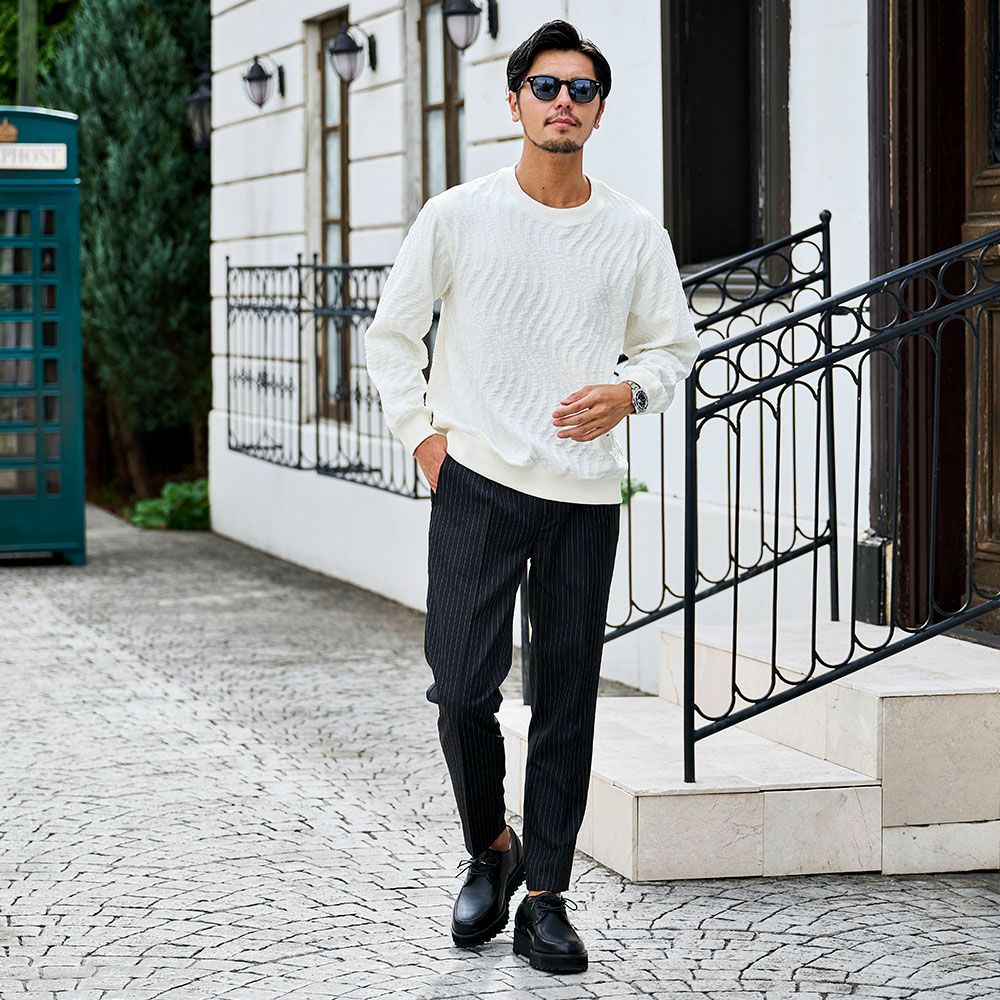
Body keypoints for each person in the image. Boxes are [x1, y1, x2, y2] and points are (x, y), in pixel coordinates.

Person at [363, 18, 700, 975]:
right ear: (514, 103)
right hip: (475, 483)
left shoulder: (632, 231)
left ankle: (546, 895)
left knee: (564, 697)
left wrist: (630, 391)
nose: (563, 103)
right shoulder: (458, 216)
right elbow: (391, 337)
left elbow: (673, 346)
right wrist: (425, 440)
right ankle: (492, 848)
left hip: (582, 498)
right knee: (461, 687)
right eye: (545, 87)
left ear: (599, 111)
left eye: (580, 90)